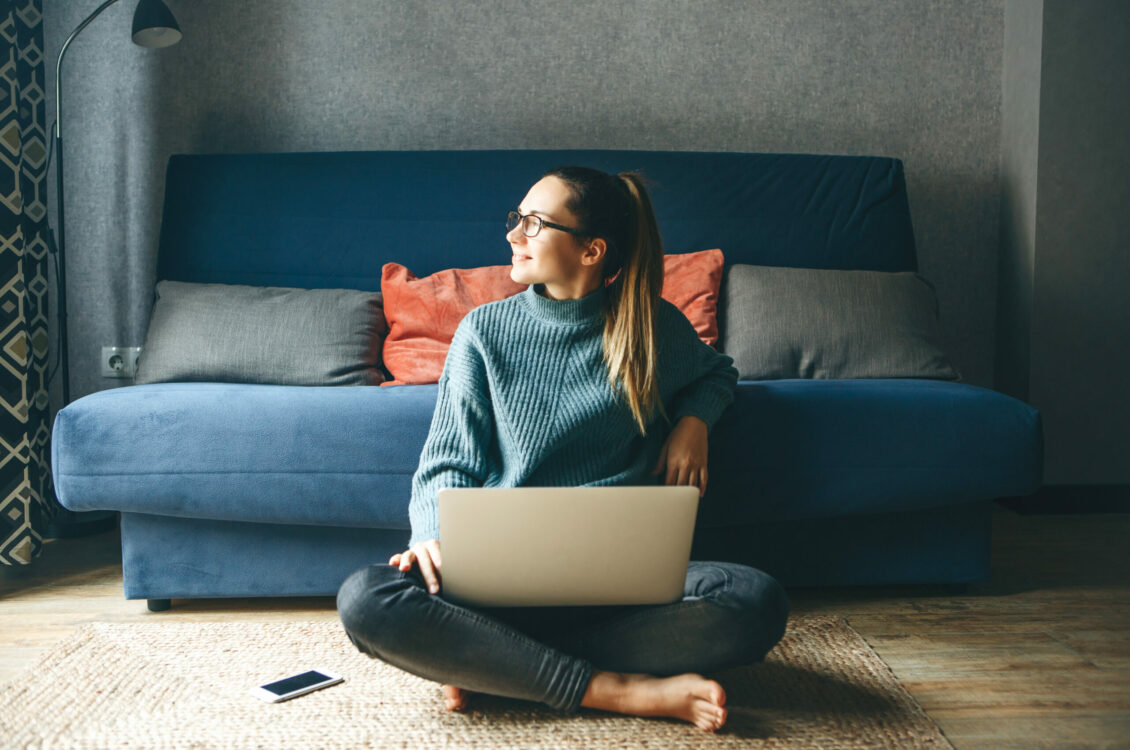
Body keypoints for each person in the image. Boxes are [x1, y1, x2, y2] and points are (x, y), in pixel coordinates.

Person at [337, 166, 789, 733]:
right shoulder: (484, 333)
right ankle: (612, 688)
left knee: (754, 600)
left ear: (591, 249)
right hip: (495, 587)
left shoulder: (652, 330)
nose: (513, 235)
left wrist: (694, 422)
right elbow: (448, 459)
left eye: (534, 223)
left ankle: (498, 664)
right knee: (365, 599)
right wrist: (429, 536)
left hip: (619, 590)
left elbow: (717, 374)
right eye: (516, 220)